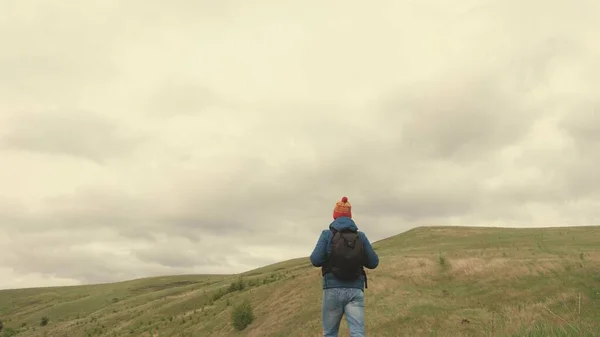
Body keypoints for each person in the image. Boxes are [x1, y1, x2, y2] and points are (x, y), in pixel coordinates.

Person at [310, 196, 379, 337]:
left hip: (332, 290)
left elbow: (315, 260)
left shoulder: (327, 235)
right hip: (355, 290)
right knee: (357, 333)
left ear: (334, 215)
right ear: (350, 216)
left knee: (330, 333)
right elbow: (373, 263)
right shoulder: (361, 237)